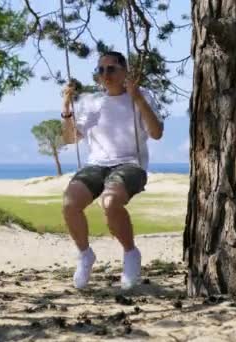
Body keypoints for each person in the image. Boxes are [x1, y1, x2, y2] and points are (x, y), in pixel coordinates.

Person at [61, 51, 164, 290]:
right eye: (101, 70)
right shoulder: (90, 102)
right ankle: (85, 255)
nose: (105, 74)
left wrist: (137, 99)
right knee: (70, 204)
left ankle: (130, 254)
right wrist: (66, 108)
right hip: (97, 165)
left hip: (130, 164)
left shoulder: (141, 95)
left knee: (110, 203)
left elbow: (156, 133)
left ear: (124, 72)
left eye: (111, 69)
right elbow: (69, 139)